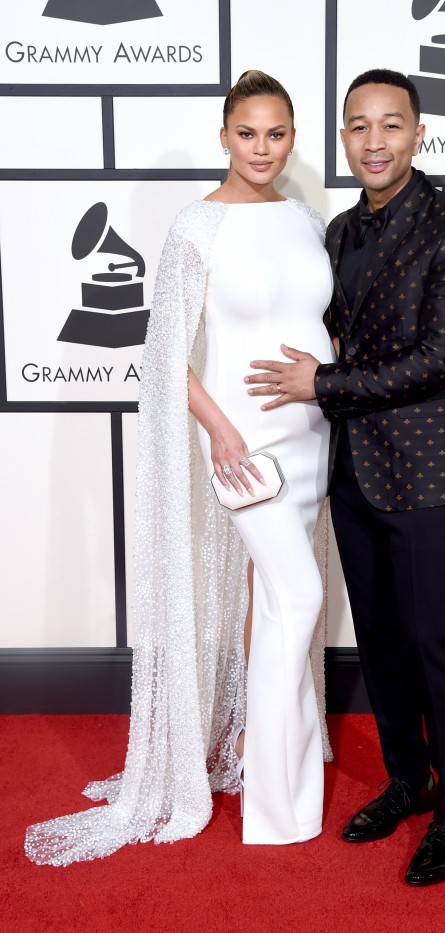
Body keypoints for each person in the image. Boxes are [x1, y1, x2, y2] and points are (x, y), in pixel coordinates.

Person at [25, 70, 335, 866]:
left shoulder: (303, 218)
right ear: (223, 135)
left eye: (276, 134)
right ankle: (277, 803)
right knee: (298, 595)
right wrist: (221, 432)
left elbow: (315, 318)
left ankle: (280, 766)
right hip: (244, 440)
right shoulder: (197, 225)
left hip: (312, 435)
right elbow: (164, 350)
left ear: (291, 138)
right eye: (247, 133)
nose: (261, 149)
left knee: (281, 604)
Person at [245, 68, 445, 885]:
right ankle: (408, 779)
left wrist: (319, 384)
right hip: (353, 467)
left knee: (437, 646)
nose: (375, 140)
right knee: (382, 643)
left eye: (392, 124)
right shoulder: (340, 233)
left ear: (419, 133)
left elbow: (437, 359)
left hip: (431, 472)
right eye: (359, 126)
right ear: (345, 138)